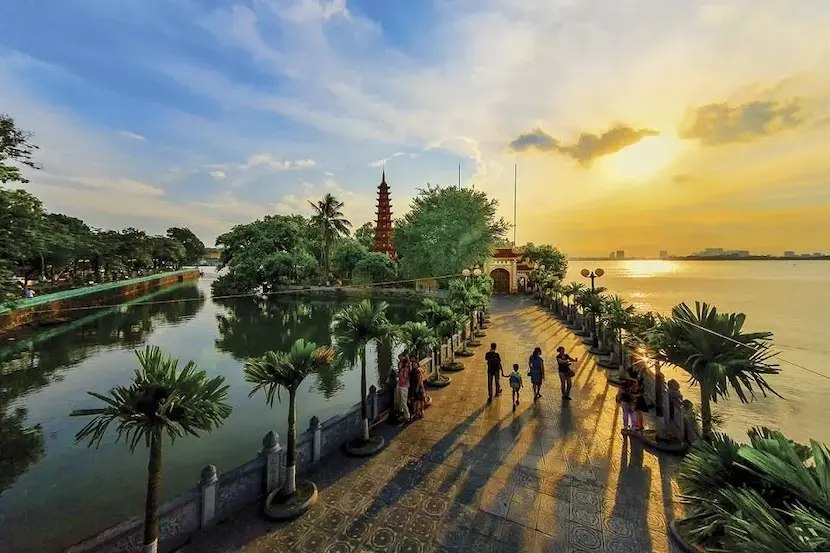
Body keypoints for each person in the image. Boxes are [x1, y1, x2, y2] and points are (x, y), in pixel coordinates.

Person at [395, 353, 411, 422]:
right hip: (399, 383)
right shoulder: (400, 364)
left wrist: (408, 358)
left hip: (404, 385)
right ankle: (402, 413)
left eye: (401, 358)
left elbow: (410, 369)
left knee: (404, 401)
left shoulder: (406, 365)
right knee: (399, 400)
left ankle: (407, 416)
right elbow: (399, 373)